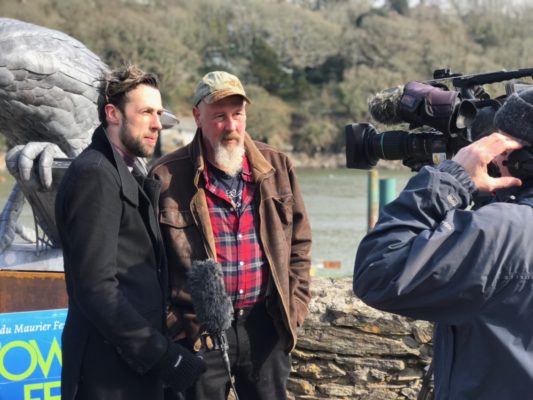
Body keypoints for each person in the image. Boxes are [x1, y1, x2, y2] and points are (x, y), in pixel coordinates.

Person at [353, 88, 533, 400]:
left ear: (522, 160)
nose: (494, 155)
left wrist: (451, 180)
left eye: (500, 142)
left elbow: (378, 271)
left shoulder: (502, 230)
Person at [150, 71, 312, 400]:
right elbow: (148, 263)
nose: (232, 127)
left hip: (265, 327)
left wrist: (294, 310)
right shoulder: (165, 176)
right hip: (197, 333)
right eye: (220, 116)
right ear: (197, 116)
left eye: (238, 115)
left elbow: (300, 244)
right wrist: (173, 326)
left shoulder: (277, 167)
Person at [55, 64, 205, 400]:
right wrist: (163, 357)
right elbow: (96, 289)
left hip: (128, 369)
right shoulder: (94, 175)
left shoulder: (119, 171)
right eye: (146, 112)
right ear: (113, 114)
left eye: (159, 113)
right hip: (105, 376)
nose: (157, 124)